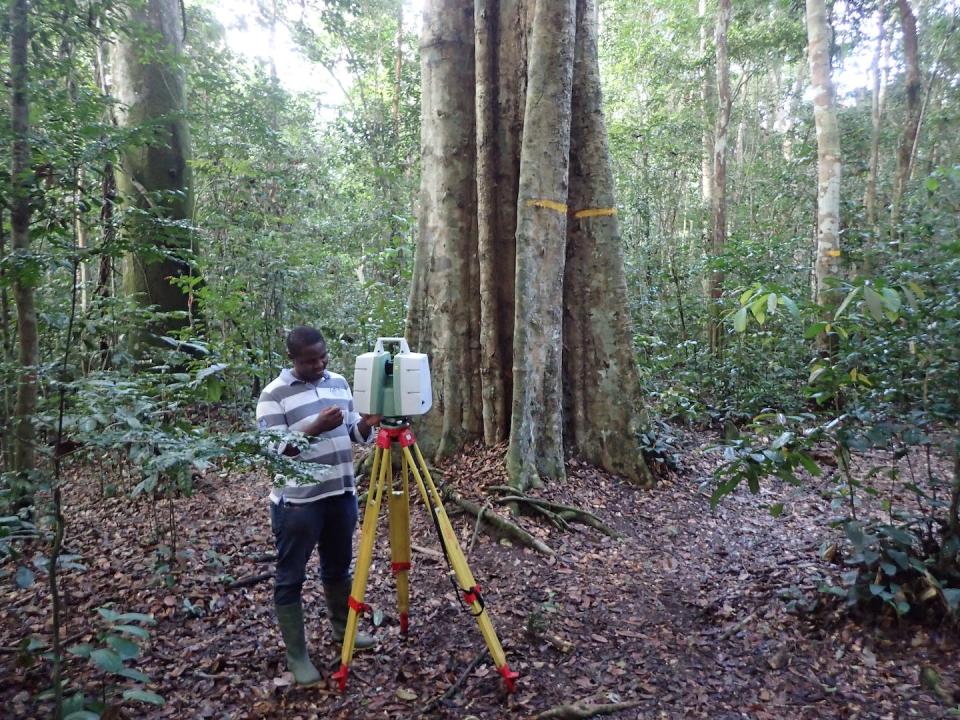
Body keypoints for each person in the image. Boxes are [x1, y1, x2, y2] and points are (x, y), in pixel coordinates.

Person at [256, 326, 380, 686]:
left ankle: (343, 630)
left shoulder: (338, 382)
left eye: (323, 357)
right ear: (293, 359)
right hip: (298, 504)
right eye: (310, 361)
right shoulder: (273, 394)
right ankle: (297, 655)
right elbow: (275, 452)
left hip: (340, 493)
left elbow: (355, 433)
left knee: (338, 568)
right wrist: (314, 427)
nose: (319, 364)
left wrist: (369, 421)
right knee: (291, 577)